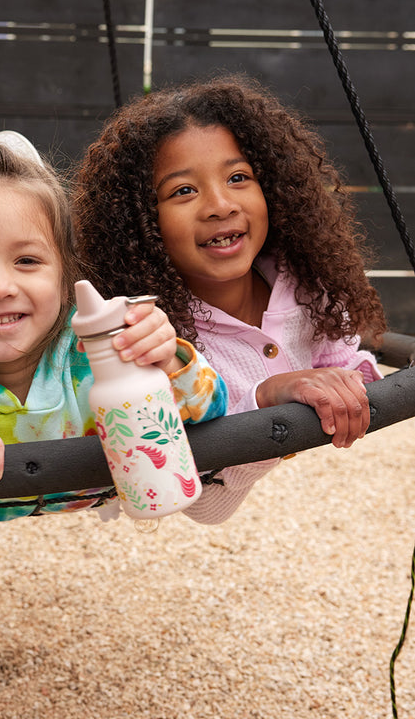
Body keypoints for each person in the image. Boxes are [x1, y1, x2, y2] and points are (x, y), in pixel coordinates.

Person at [0, 134, 227, 568]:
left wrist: (168, 357)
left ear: (64, 277)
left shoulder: (96, 352)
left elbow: (212, 412)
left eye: (27, 261)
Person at [73, 74, 387, 524]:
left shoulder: (304, 282)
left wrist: (357, 386)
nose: (220, 204)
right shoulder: (154, 332)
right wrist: (267, 394)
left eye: (239, 177)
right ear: (141, 222)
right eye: (183, 190)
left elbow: (343, 359)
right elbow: (198, 494)